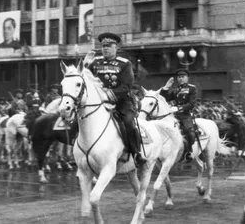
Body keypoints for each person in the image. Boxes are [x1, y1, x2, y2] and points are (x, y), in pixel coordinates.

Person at [83, 32, 147, 166]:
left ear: (116, 47)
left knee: (129, 122)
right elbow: (83, 78)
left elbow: (126, 86)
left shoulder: (124, 64)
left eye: (109, 46)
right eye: (103, 46)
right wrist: (85, 64)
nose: (105, 48)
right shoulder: (95, 62)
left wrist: (108, 95)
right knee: (82, 119)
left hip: (122, 102)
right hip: (100, 103)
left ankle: (136, 153)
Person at [160, 69, 197, 162]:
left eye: (183, 77)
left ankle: (189, 152)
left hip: (185, 115)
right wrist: (166, 88)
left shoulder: (192, 89)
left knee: (190, 132)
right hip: (174, 115)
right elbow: (163, 99)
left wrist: (179, 108)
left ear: (187, 78)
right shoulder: (175, 90)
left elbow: (191, 104)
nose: (181, 79)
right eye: (179, 77)